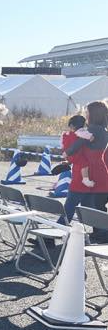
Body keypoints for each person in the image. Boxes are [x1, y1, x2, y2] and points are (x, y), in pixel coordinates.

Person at [67, 101, 108, 241]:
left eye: (87, 112)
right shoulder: (102, 130)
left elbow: (74, 146)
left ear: (93, 114)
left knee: (95, 205)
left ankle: (103, 232)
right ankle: (100, 232)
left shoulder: (93, 130)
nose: (86, 114)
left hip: (94, 172)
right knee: (96, 205)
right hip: (99, 171)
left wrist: (67, 152)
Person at [59, 114, 88, 223]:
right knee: (92, 210)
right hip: (92, 175)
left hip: (79, 178)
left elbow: (74, 156)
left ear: (72, 126)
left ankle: (57, 230)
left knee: (68, 209)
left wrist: (69, 159)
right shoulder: (87, 136)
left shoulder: (72, 137)